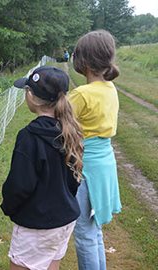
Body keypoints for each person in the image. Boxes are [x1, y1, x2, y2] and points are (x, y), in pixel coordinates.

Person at [1, 66, 84, 270]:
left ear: (31, 96)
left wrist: (8, 207)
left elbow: (20, 184)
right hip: (64, 220)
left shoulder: (29, 137)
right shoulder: (70, 131)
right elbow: (75, 178)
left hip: (36, 225)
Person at [69, 29, 122, 270]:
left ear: (84, 61)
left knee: (84, 234)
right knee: (94, 230)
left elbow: (57, 123)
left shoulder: (81, 94)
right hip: (104, 164)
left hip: (85, 167)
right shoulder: (110, 88)